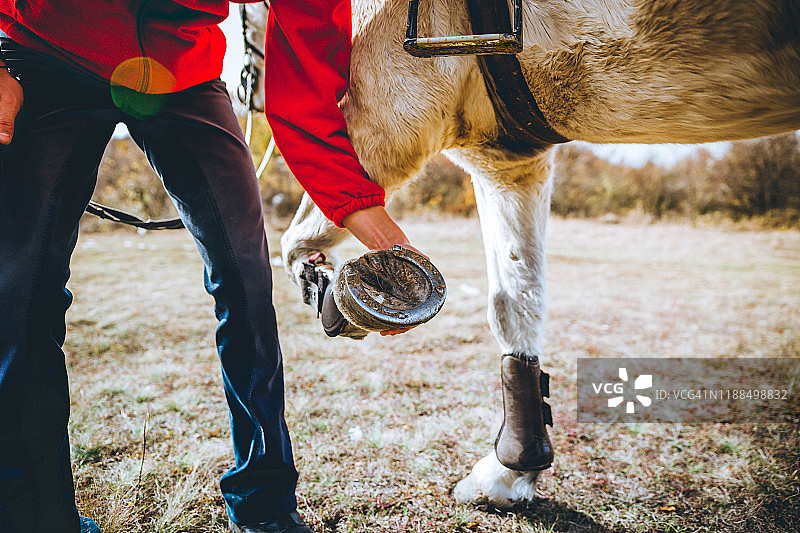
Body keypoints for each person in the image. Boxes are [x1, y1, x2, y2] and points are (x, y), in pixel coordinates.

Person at [0, 1, 414, 532]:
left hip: (185, 70)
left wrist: (382, 234)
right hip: (46, 54)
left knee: (246, 282)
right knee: (23, 296)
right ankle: (36, 517)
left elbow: (308, 59)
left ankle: (265, 507)